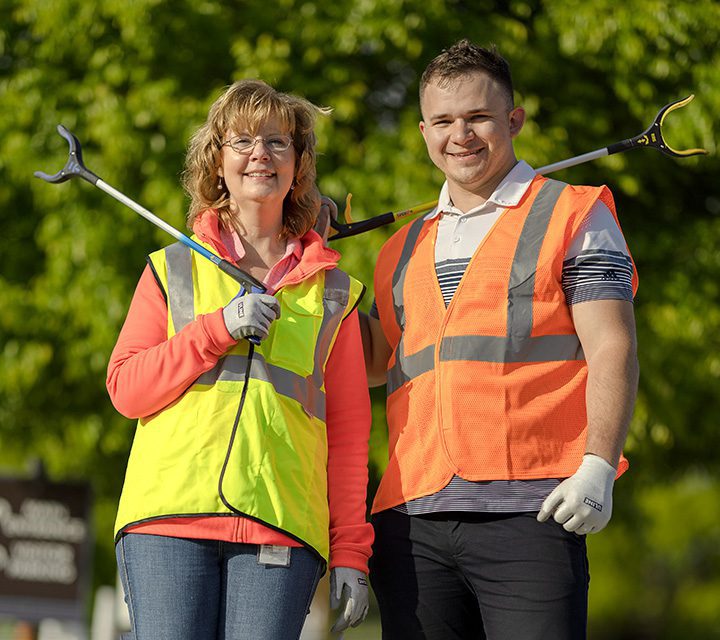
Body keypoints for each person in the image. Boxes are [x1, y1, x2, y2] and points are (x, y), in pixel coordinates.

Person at [360, 40, 639, 640]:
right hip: (413, 520)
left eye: (477, 117)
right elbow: (374, 363)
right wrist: (310, 263)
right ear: (423, 131)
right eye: (442, 121)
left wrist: (597, 467)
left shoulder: (574, 214)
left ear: (513, 120)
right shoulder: (399, 248)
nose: (460, 134)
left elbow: (612, 346)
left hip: (533, 511)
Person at [107, 79, 372, 640]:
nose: (261, 154)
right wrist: (216, 329)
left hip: (278, 526)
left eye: (278, 142)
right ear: (217, 162)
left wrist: (351, 549)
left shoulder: (332, 293)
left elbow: (349, 437)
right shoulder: (171, 268)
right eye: (242, 141)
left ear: (298, 164)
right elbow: (127, 390)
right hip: (167, 523)